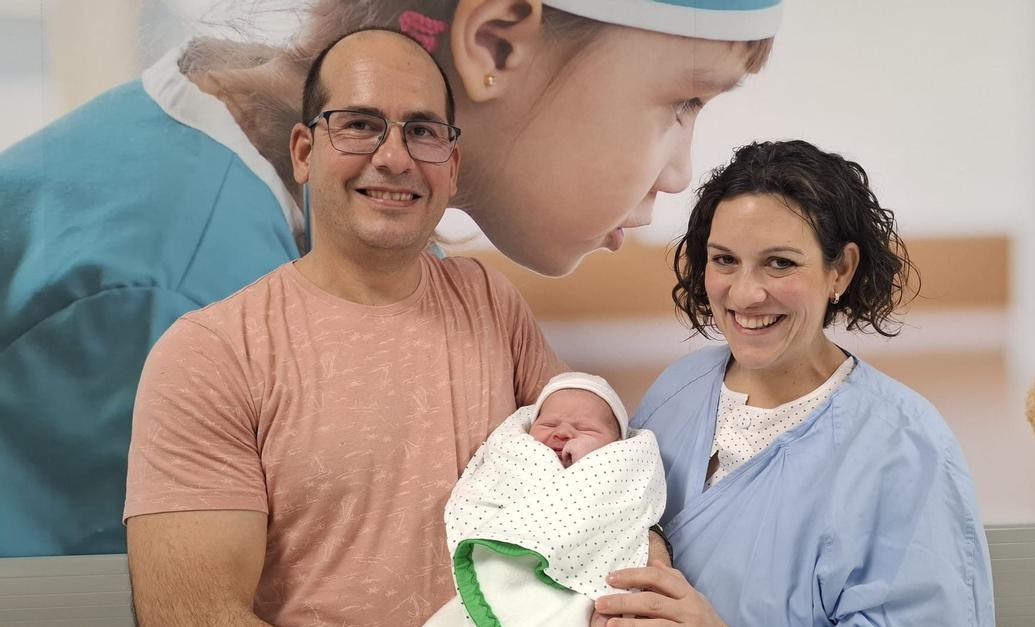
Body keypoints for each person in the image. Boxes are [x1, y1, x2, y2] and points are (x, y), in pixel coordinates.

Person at [0, 0, 778, 558]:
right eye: (682, 103)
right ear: (495, 44)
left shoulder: (349, 221)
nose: (680, 172)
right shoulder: (176, 294)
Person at [123, 28, 568, 626]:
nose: (394, 158)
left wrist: (651, 565)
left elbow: (596, 477)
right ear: (304, 153)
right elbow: (191, 615)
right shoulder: (212, 354)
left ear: (452, 165)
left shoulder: (489, 303)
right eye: (360, 124)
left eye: (422, 131)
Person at [592, 141, 996, 626]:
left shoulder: (904, 446)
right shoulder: (678, 390)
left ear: (840, 270)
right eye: (724, 260)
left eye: (780, 263)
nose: (745, 293)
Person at [428, 372, 666, 626]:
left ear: (617, 443)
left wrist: (587, 460)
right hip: (511, 552)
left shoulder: (615, 466)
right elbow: (494, 486)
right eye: (549, 424)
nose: (562, 432)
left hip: (579, 570)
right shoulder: (520, 454)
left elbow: (620, 504)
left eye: (585, 429)